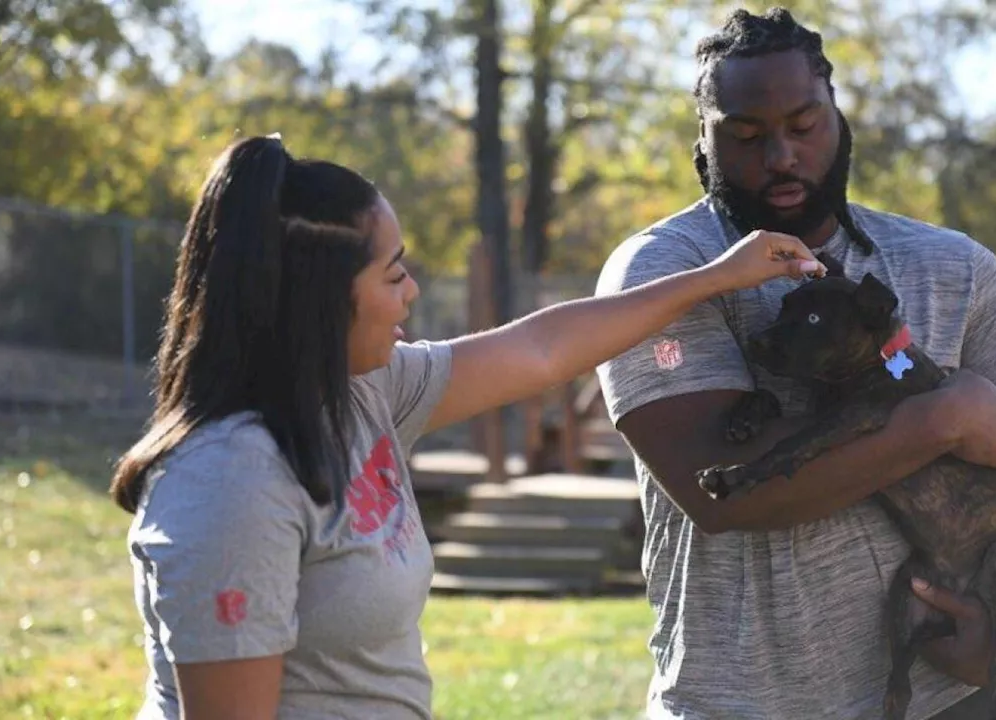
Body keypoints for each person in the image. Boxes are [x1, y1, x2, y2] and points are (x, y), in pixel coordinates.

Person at [110, 134, 826, 720]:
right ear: (319, 299)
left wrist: (714, 277)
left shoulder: (362, 394)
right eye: (394, 275)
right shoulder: (232, 480)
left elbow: (541, 350)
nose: (413, 292)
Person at [594, 8, 996, 719]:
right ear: (704, 144)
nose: (781, 156)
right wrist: (935, 423)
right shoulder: (667, 275)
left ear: (838, 117)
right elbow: (725, 492)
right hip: (743, 705)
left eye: (804, 126)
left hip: (951, 696)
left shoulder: (949, 266)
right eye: (746, 135)